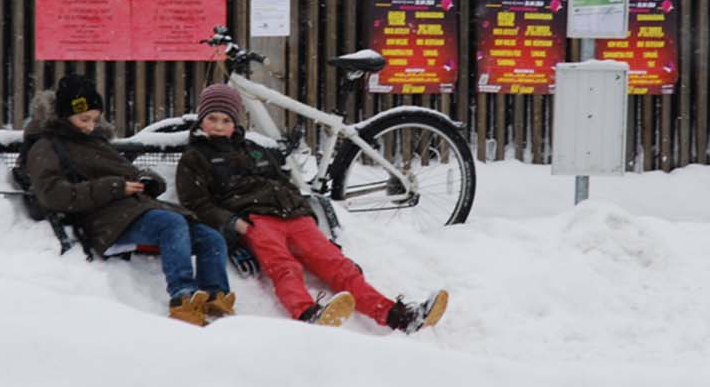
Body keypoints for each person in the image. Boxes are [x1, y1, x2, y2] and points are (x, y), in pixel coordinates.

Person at [176, 83, 448, 332]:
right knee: (285, 267)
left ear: (235, 122)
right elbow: (196, 203)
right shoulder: (195, 158)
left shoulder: (254, 150)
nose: (219, 126)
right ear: (201, 120)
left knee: (338, 265)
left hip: (295, 216)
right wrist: (235, 223)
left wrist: (304, 212)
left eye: (226, 120)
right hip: (256, 220)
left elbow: (284, 183)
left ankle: (398, 316)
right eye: (212, 119)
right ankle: (307, 314)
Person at [24, 73, 234, 327]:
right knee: (171, 224)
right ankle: (183, 299)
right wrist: (113, 187)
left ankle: (215, 297)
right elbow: (53, 195)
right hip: (104, 219)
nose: (91, 126)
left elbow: (130, 173)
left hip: (134, 210)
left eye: (95, 119)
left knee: (211, 238)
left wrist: (148, 181)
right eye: (84, 119)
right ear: (65, 115)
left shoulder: (95, 142)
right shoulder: (47, 147)